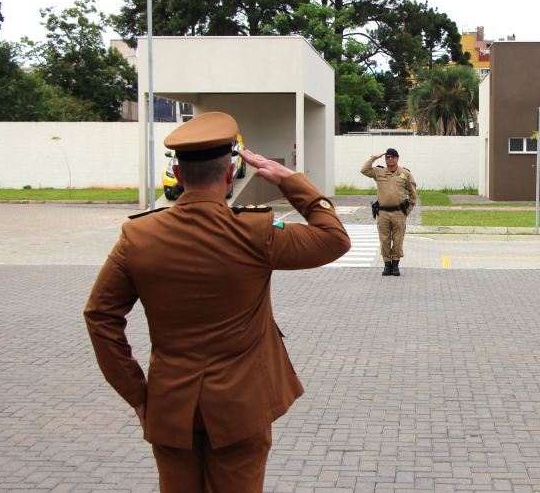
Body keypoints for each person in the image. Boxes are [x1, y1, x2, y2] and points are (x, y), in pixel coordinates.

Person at [84, 112, 351, 491]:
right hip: (241, 408)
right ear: (230, 175)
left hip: (171, 408)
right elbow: (334, 239)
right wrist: (291, 181)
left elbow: (99, 316)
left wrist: (137, 395)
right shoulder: (256, 231)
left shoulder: (138, 235)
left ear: (177, 173)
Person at [361, 148, 417, 276]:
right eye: (388, 157)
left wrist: (409, 208)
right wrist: (374, 157)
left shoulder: (405, 173)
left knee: (398, 240)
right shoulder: (379, 172)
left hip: (399, 212)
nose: (390, 159)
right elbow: (363, 170)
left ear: (397, 158)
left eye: (393, 157)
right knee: (384, 239)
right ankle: (387, 264)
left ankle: (395, 265)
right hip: (383, 212)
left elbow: (413, 192)